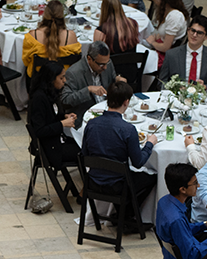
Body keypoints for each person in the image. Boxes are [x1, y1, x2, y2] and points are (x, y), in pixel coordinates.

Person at [81, 80, 158, 222]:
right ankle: (127, 215)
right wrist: (149, 144)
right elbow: (138, 163)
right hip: (117, 185)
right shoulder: (127, 129)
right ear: (126, 102)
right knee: (152, 176)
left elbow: (85, 154)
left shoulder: (91, 124)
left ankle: (124, 214)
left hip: (93, 180)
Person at [29, 61, 81, 168]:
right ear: (51, 79)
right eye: (61, 78)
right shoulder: (39, 98)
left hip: (56, 140)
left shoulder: (51, 93)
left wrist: (64, 117)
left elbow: (50, 117)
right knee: (85, 151)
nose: (64, 81)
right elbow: (40, 130)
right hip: (49, 148)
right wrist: (62, 123)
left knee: (83, 143)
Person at [158, 15, 207, 91]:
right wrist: (176, 88)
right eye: (192, 30)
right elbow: (161, 83)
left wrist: (205, 87)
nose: (194, 35)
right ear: (188, 30)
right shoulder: (172, 55)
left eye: (199, 33)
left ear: (206, 36)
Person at [60, 42, 120, 128]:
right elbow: (65, 100)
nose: (105, 67)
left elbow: (113, 82)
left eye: (107, 63)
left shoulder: (107, 63)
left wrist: (118, 80)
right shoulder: (74, 72)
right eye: (101, 64)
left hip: (108, 112)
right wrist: (87, 90)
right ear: (89, 59)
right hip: (86, 117)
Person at [22, 0, 81, 78]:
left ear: (45, 14)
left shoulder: (33, 36)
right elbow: (76, 62)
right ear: (62, 15)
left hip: (39, 82)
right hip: (64, 81)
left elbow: (26, 62)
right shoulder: (70, 36)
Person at [144, 0, 188, 65]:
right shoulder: (166, 10)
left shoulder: (174, 17)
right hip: (161, 46)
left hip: (165, 55)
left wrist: (152, 42)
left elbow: (165, 48)